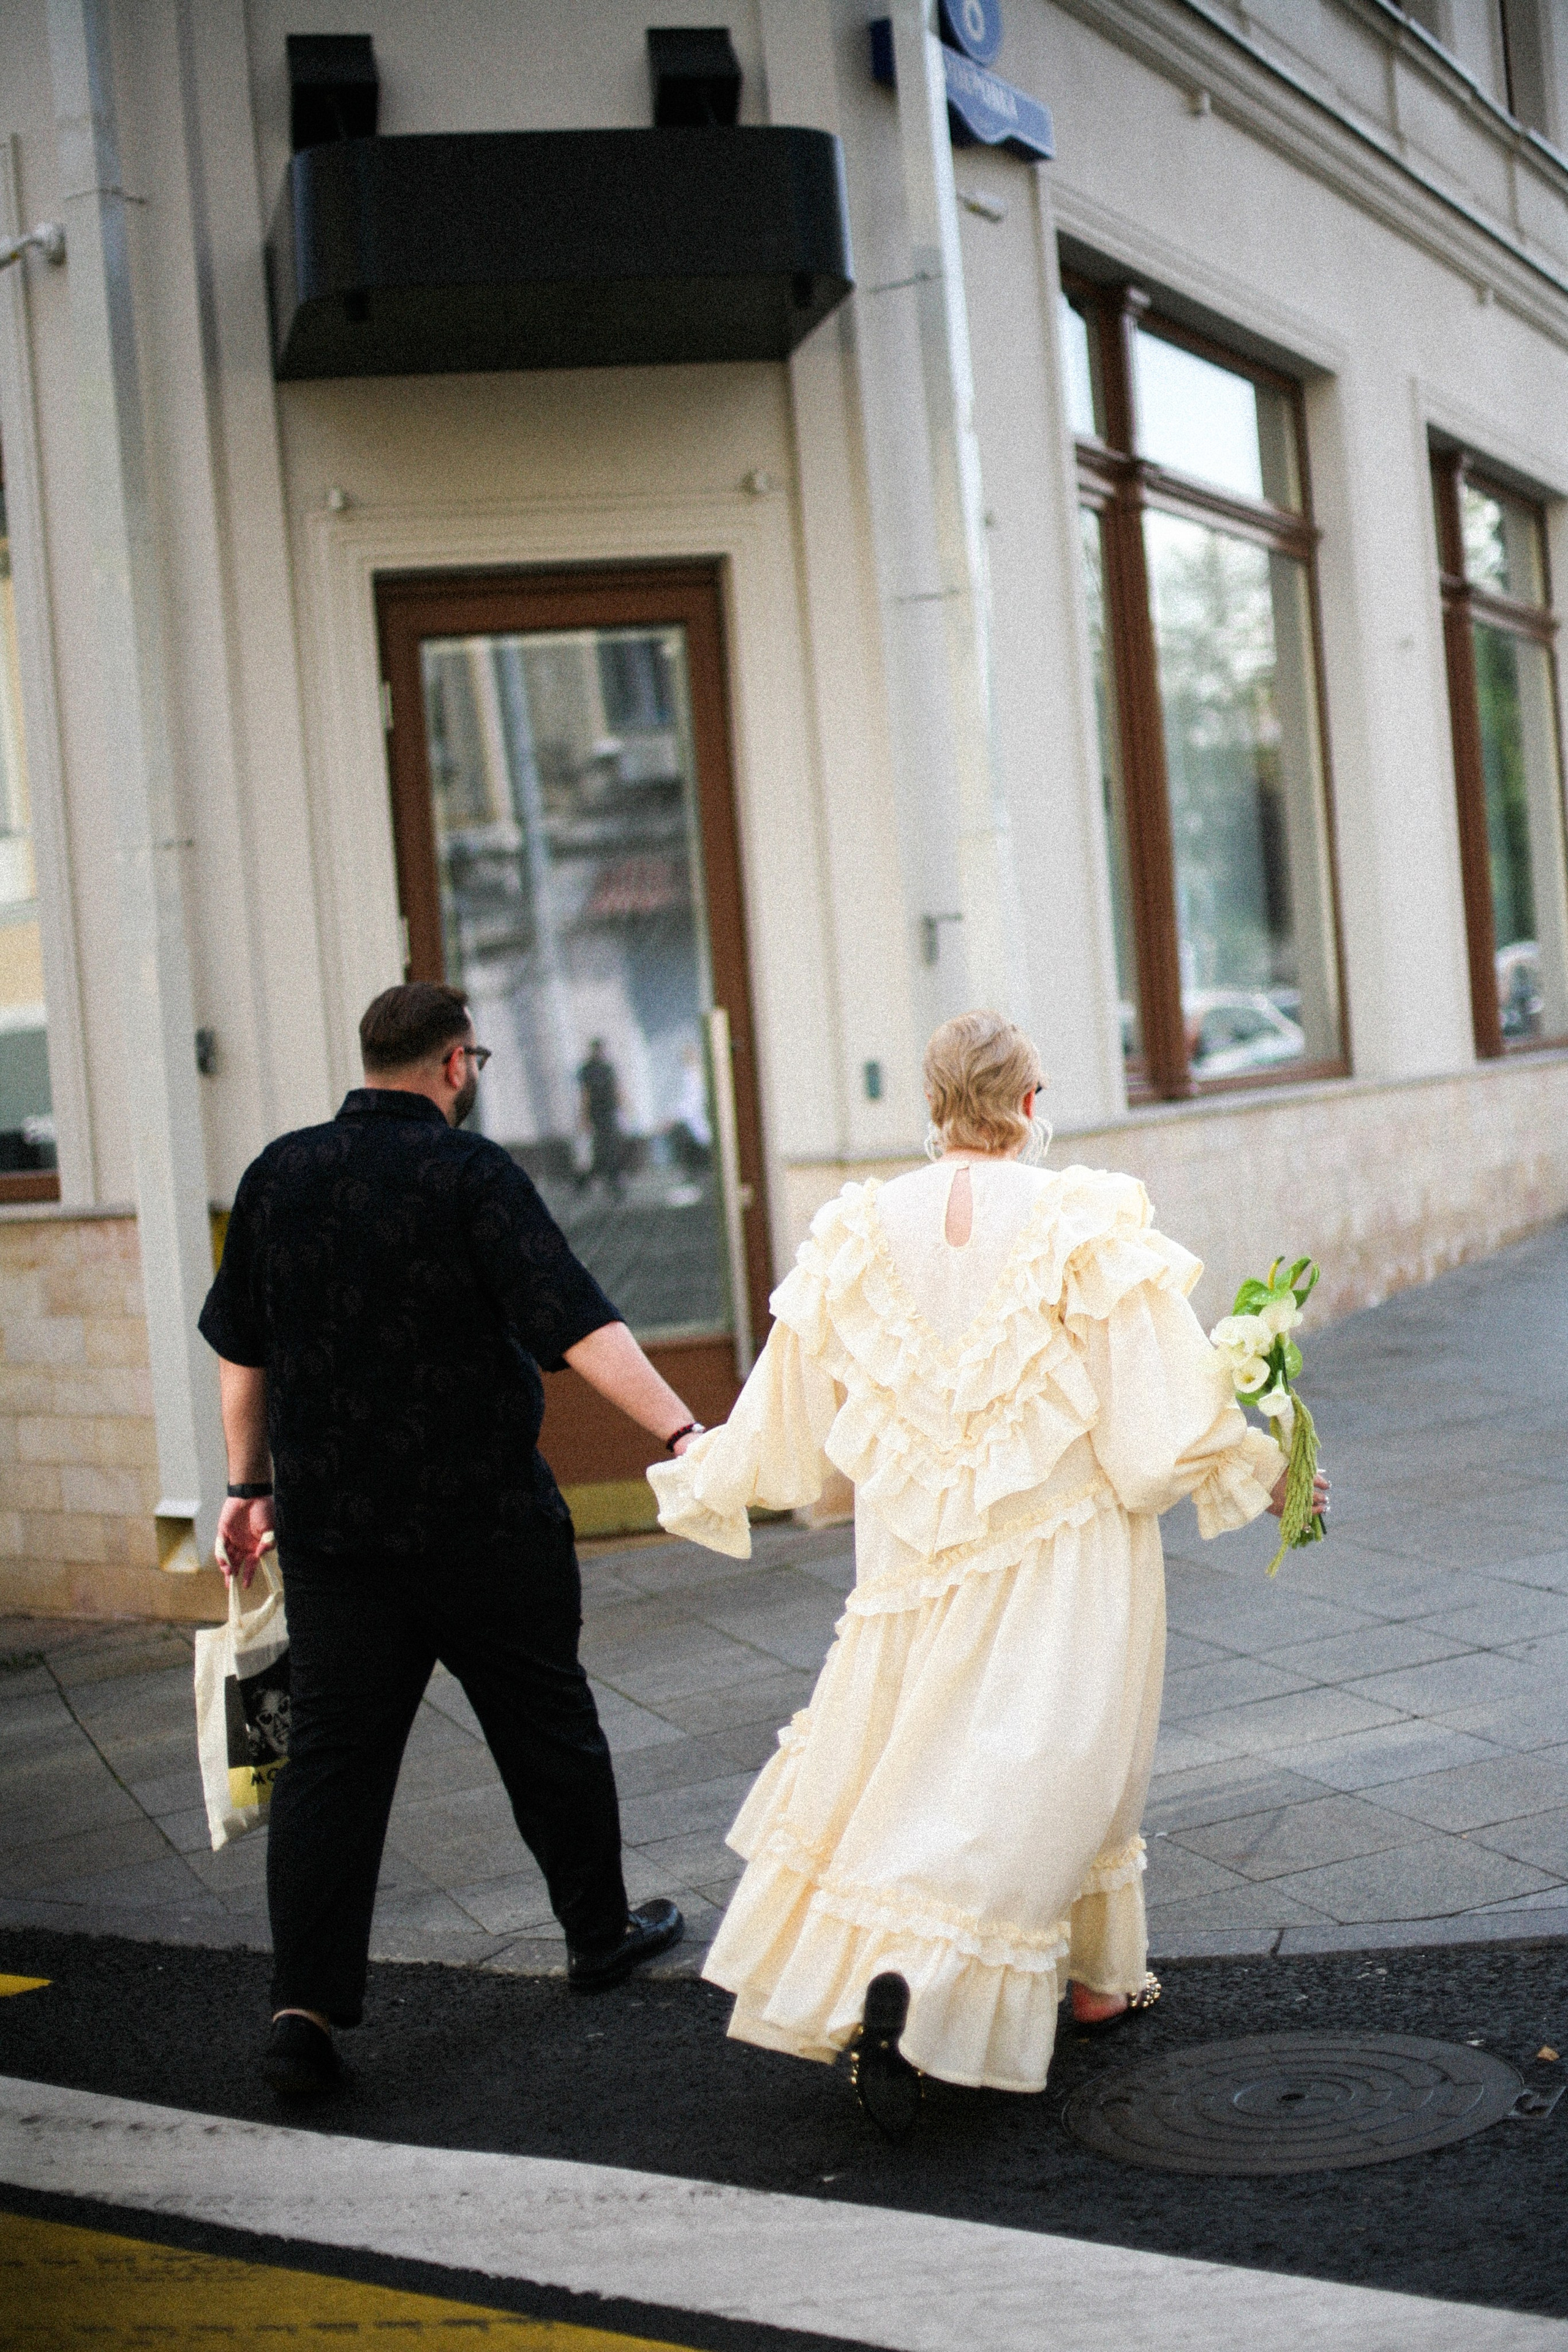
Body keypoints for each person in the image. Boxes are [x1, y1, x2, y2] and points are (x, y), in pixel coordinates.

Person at [649, 1011, 1328, 2136]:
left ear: (933, 1102)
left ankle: (1072, 1974)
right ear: (1027, 1101)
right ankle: (952, 1979)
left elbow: (784, 1412)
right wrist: (1270, 1472)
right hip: (1065, 1544)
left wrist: (706, 1467)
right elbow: (1159, 1418)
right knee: (1049, 1764)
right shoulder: (1082, 1216)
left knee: (923, 1760)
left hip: (913, 1555)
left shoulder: (856, 1228)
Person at [200, 982, 707, 2101]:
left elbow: (243, 1347)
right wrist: (680, 1428)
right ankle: (595, 1935)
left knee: (331, 1768)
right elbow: (573, 1320)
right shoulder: (471, 1174)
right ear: (454, 1066)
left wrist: (249, 1485)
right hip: (484, 1524)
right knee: (546, 1726)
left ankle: (302, 2010)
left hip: (338, 1537)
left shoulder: (278, 1176)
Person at [577, 1039, 624, 1199]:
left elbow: (616, 1089)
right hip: (596, 1114)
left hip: (609, 1112)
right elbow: (586, 1094)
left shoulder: (607, 1068)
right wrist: (584, 1118)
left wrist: (623, 1108)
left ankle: (611, 1179)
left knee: (610, 1146)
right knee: (600, 1147)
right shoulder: (587, 1070)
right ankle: (589, 1180)